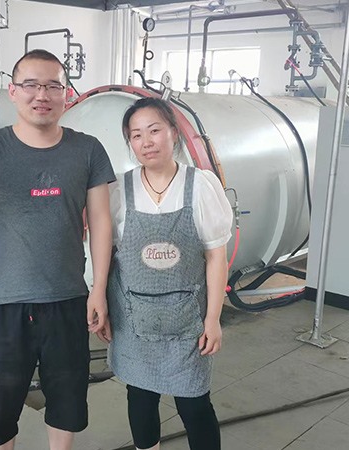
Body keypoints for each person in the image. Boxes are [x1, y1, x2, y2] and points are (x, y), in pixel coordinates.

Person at [0, 49, 116, 450]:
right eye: (30, 84)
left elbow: (101, 222)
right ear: (12, 91)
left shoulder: (88, 149)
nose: (41, 94)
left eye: (52, 86)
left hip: (69, 300)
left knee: (66, 403)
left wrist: (98, 289)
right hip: (8, 305)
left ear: (66, 94)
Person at [105, 97, 233, 450]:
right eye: (136, 135)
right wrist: (98, 300)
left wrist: (213, 319)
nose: (146, 142)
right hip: (134, 320)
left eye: (154, 130)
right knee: (140, 398)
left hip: (187, 322)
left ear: (174, 133)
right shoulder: (119, 190)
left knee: (194, 404)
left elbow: (216, 257)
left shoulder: (201, 186)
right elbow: (105, 255)